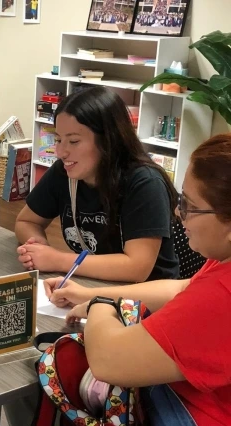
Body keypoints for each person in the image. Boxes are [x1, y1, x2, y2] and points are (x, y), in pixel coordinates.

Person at [42, 133, 231, 425]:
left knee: (64, 374)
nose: (180, 215)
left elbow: (109, 361)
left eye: (191, 206)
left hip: (192, 412)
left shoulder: (221, 295)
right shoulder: (222, 263)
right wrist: (88, 295)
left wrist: (100, 306)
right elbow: (182, 288)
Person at [15, 86, 178, 283]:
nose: (61, 152)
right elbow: (27, 222)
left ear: (108, 140)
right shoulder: (64, 173)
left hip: (144, 297)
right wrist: (38, 246)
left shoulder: (145, 183)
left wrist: (56, 260)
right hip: (94, 283)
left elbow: (137, 267)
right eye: (58, 139)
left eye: (73, 141)